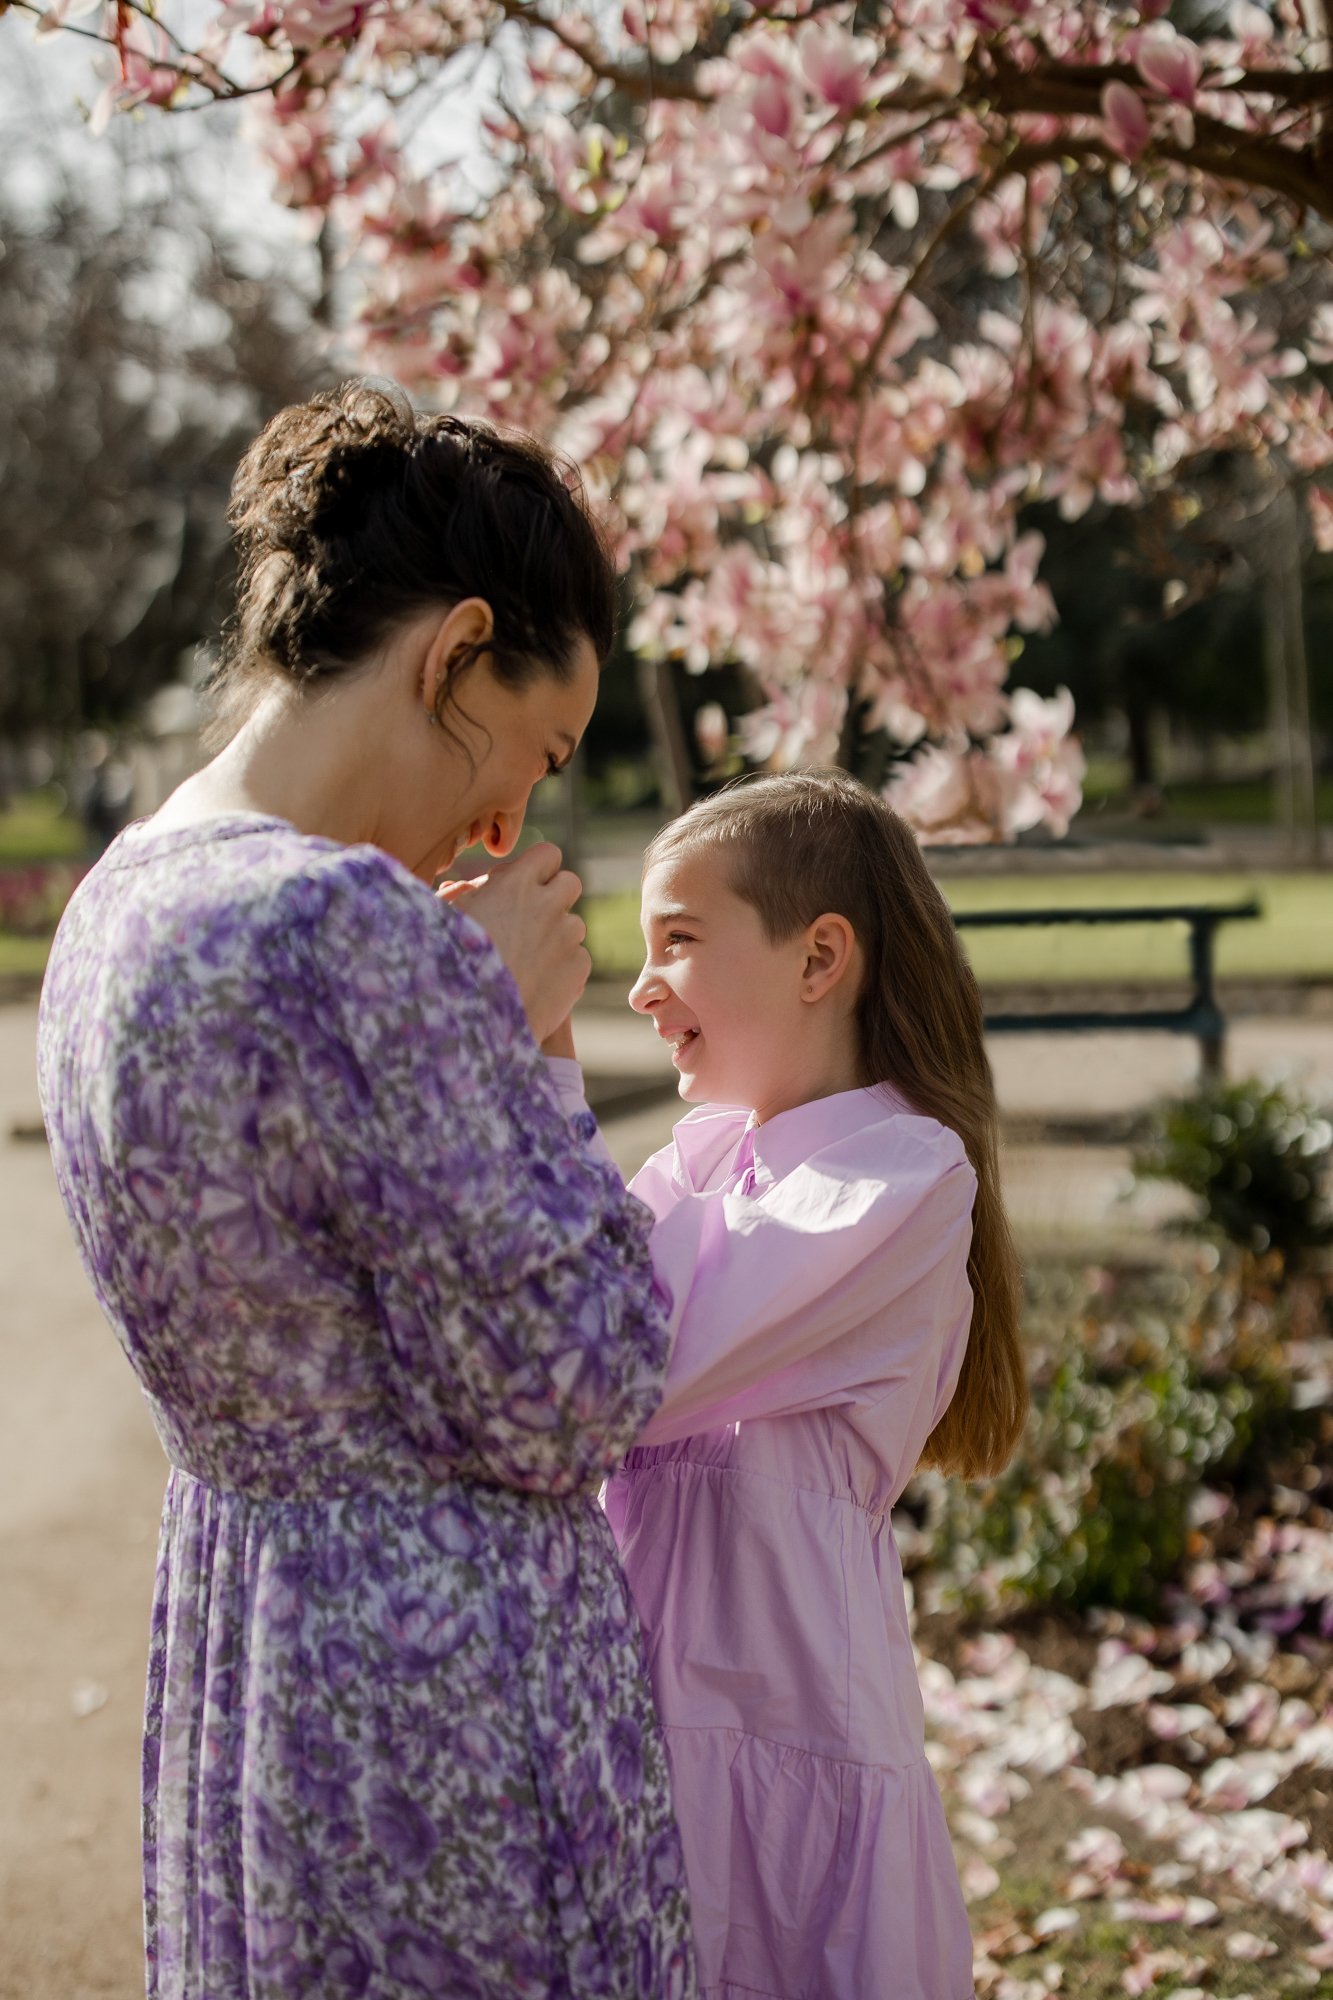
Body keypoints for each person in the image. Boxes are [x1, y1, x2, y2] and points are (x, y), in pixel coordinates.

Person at [37, 382, 698, 2000]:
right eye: (535, 746)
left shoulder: (118, 900)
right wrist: (526, 1045)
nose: (512, 815)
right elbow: (576, 1385)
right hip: (444, 1684)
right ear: (453, 652)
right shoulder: (358, 933)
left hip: (251, 1648)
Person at [549, 771, 1028, 1999]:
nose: (641, 986)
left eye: (680, 942)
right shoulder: (704, 1155)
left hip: (785, 1723)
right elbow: (550, 1315)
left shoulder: (899, 1177)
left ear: (820, 957)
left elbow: (625, 1361)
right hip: (659, 1718)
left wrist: (539, 1052)